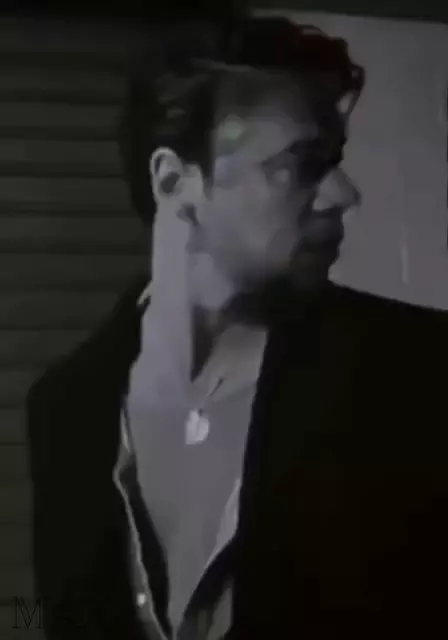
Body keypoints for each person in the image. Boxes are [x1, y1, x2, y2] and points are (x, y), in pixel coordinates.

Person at [26, 15, 448, 640]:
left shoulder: (419, 373)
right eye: (303, 165)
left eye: (333, 161)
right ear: (175, 181)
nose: (343, 194)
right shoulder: (65, 411)